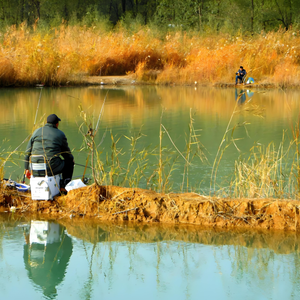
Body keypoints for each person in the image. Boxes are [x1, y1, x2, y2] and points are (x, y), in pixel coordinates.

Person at [24, 114, 74, 190]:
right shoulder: (60, 134)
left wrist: (26, 168)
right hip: (51, 169)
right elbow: (67, 155)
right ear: (57, 124)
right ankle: (64, 186)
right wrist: (71, 159)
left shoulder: (36, 132)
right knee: (70, 162)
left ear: (46, 122)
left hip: (35, 169)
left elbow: (27, 152)